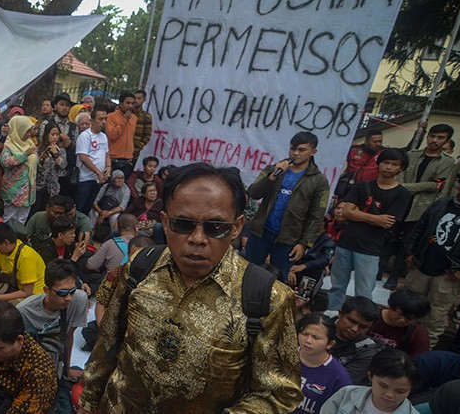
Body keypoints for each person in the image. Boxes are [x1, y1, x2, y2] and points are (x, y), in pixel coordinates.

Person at [79, 162, 303, 412]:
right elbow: (106, 348)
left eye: (215, 227)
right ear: (164, 222)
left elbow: (278, 394)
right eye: (183, 224)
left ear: (237, 227)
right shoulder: (140, 267)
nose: (197, 239)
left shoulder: (269, 298)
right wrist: (88, 404)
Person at [327, 148, 413, 309]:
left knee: (364, 292)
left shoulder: (402, 194)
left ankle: (357, 322)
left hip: (370, 248)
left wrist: (357, 214)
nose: (388, 167)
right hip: (346, 242)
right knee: (337, 286)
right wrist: (375, 218)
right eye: (385, 162)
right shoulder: (362, 186)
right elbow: (346, 211)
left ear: (401, 168)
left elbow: (388, 222)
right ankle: (331, 315)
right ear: (378, 164)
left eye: (394, 164)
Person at [402, 167, 460, 347]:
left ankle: (420, 357)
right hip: (421, 264)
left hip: (449, 274)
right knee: (407, 308)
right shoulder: (442, 203)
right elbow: (420, 227)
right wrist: (410, 252)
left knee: (434, 320)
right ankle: (396, 345)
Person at [246, 131, 330, 279]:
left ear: (313, 151)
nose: (295, 153)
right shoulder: (275, 169)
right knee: (247, 273)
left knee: (277, 280)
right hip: (261, 232)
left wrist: (304, 244)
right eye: (292, 149)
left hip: (289, 239)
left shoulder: (319, 181)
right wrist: (272, 176)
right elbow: (253, 192)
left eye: (302, 150)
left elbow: (317, 216)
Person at [386, 124, 456, 290]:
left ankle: (395, 275)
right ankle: (379, 268)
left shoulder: (447, 162)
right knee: (390, 236)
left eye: (440, 138)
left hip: (422, 208)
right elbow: (399, 178)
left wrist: (407, 187)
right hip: (400, 203)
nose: (434, 140)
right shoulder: (412, 155)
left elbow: (439, 186)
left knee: (407, 243)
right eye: (432, 136)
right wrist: (427, 185)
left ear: (447, 140)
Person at [18, 258, 89, 414]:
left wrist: (68, 369)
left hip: (57, 369)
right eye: (62, 293)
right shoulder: (23, 311)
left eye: (72, 291)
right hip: (32, 371)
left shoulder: (78, 299)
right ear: (46, 290)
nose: (68, 298)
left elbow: (69, 336)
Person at [320, 348, 420, 414]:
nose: (389, 395)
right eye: (383, 386)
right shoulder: (346, 395)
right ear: (370, 375)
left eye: (400, 391)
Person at [295, 313, 352, 414]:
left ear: (330, 344)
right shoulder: (281, 356)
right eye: (304, 334)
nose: (308, 340)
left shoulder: (339, 377)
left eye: (316, 338)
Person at [0, 223, 46, 302]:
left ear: (6, 243)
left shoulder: (26, 257)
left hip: (32, 297)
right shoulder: (2, 251)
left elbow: (26, 292)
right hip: (12, 290)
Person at [331, 296, 384, 385]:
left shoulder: (367, 352)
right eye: (352, 321)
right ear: (340, 314)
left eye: (363, 327)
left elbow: (340, 383)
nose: (355, 329)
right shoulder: (317, 324)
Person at [367, 290, 431, 357]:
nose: (402, 320)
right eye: (399, 314)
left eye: (409, 318)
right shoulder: (370, 317)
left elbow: (417, 362)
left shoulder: (419, 336)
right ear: (390, 306)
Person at [0, 115, 39, 224]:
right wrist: (24, 154)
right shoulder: (9, 145)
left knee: (21, 222)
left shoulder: (30, 144)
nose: (28, 135)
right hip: (13, 193)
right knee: (7, 220)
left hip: (28, 193)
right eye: (26, 131)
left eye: (30, 131)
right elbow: (6, 162)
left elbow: (35, 163)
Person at [39, 92, 78, 197]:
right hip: (50, 172)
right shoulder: (46, 124)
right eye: (62, 104)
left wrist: (69, 144)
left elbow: (76, 147)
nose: (64, 108)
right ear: (55, 106)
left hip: (67, 171)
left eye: (67, 105)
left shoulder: (74, 127)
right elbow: (43, 144)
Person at [75, 104, 110, 215]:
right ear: (92, 120)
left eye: (105, 119)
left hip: (97, 179)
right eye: (100, 119)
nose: (104, 122)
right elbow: (83, 157)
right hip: (85, 179)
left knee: (88, 208)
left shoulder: (103, 136)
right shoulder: (85, 136)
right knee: (79, 208)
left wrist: (108, 167)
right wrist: (97, 172)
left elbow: (107, 154)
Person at [26, 195, 92, 246]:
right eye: (55, 212)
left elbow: (82, 245)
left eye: (61, 213)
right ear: (47, 208)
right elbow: (26, 236)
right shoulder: (37, 217)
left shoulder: (67, 223)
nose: (57, 216)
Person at [337, 129, 384, 198]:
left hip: (370, 190)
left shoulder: (384, 153)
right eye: (374, 142)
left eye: (380, 141)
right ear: (366, 141)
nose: (378, 144)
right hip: (349, 187)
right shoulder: (353, 150)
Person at [35, 122, 67, 213]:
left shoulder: (61, 150)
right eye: (52, 134)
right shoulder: (39, 149)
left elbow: (63, 165)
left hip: (53, 187)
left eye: (57, 134)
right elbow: (38, 167)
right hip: (39, 185)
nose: (55, 137)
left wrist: (55, 153)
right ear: (46, 135)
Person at [105, 92, 137, 177]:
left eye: (132, 103)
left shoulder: (134, 118)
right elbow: (112, 135)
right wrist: (124, 120)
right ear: (120, 103)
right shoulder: (111, 117)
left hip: (128, 159)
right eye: (127, 103)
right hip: (114, 159)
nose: (130, 106)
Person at [132, 89, 152, 163]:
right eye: (135, 98)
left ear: (144, 100)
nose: (136, 101)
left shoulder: (146, 117)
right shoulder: (127, 114)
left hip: (135, 153)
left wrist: (138, 147)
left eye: (139, 98)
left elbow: (147, 136)